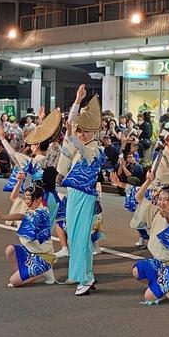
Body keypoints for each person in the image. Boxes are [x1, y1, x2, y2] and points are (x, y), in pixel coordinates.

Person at [59, 85, 106, 296]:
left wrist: (77, 106)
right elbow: (70, 130)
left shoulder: (95, 150)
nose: (81, 134)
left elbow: (72, 132)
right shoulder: (83, 148)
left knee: (80, 238)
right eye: (80, 131)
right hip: (74, 195)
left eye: (85, 131)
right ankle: (84, 274)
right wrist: (77, 101)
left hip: (85, 197)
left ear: (94, 131)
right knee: (77, 237)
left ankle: (85, 277)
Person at [131, 181, 169, 304]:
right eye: (160, 199)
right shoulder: (155, 211)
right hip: (159, 262)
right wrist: (148, 180)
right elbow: (138, 197)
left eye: (166, 200)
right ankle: (165, 285)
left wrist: (167, 216)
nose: (162, 203)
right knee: (137, 270)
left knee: (149, 297)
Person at [0, 184, 55, 287]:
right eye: (26, 198)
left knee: (14, 281)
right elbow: (14, 200)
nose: (27, 201)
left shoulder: (42, 212)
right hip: (30, 252)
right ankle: (23, 274)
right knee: (10, 250)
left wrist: (3, 217)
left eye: (30, 199)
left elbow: (22, 217)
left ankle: (44, 271)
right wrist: (19, 181)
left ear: (39, 199)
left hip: (43, 257)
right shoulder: (31, 210)